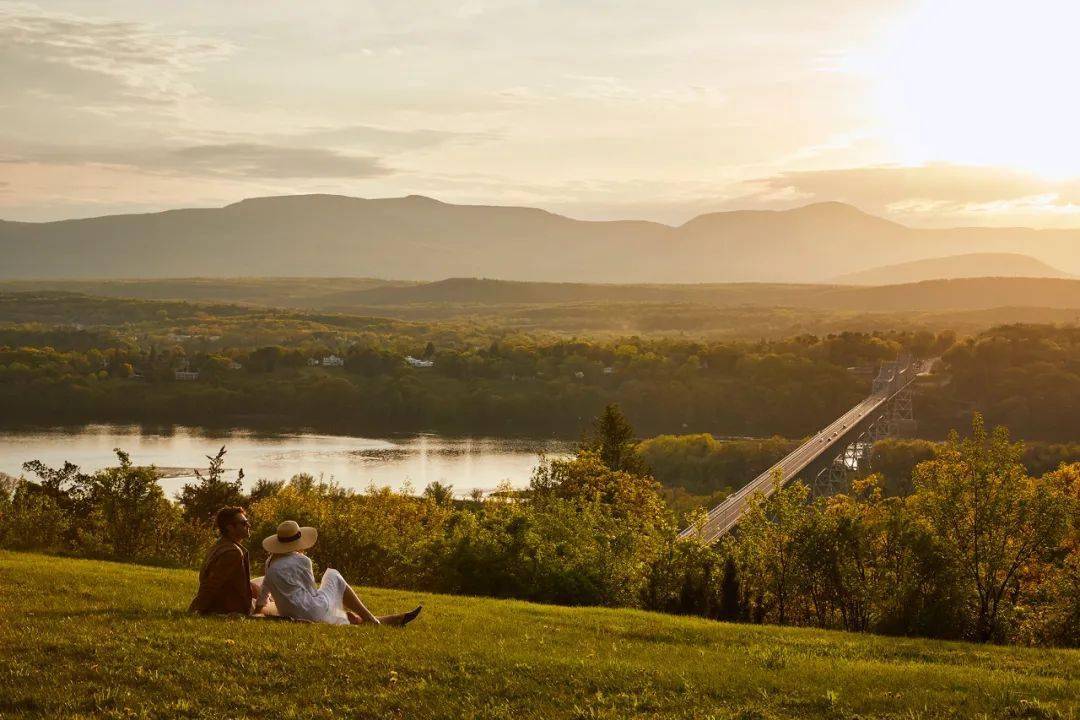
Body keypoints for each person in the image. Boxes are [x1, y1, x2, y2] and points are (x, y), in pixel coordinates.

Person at [255, 520, 422, 627]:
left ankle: (384, 620)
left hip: (290, 614)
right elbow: (311, 592)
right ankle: (372, 620)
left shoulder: (270, 564)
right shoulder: (303, 561)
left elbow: (264, 595)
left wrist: (260, 609)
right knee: (334, 575)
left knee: (334, 609)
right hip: (311, 611)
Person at [189, 506, 256, 615]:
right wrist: (196, 609)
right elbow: (211, 584)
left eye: (247, 522)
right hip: (230, 609)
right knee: (273, 604)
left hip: (229, 603)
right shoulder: (232, 552)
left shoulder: (220, 545)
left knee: (262, 586)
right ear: (230, 528)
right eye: (243, 523)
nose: (248, 525)